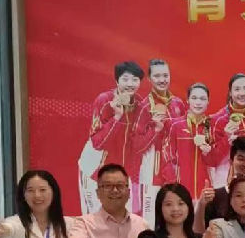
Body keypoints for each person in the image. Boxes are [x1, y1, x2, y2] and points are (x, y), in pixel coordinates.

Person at [78, 61, 146, 215]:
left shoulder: (141, 105)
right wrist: (117, 117)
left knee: (125, 219)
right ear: (117, 80)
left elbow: (138, 144)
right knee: (95, 219)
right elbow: (97, 143)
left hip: (123, 174)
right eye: (125, 79)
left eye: (135, 80)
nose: (130, 84)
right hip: (95, 170)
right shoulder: (104, 100)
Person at [135, 59, 186, 221]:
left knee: (175, 217)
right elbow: (136, 145)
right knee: (149, 220)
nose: (162, 80)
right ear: (149, 79)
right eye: (157, 76)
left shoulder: (178, 104)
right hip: (152, 170)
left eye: (165, 75)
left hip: (175, 169)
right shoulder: (144, 107)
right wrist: (155, 130)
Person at [158, 82, 214, 200]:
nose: (198, 102)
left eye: (202, 99)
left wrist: (209, 152)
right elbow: (167, 157)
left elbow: (217, 160)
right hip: (181, 191)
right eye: (194, 98)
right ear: (187, 100)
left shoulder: (212, 126)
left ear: (208, 101)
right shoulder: (176, 125)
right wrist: (173, 184)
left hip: (206, 191)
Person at [209, 73, 245, 186]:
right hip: (226, 178)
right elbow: (213, 159)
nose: (242, 93)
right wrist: (227, 138)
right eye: (237, 89)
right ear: (230, 92)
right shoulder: (218, 119)